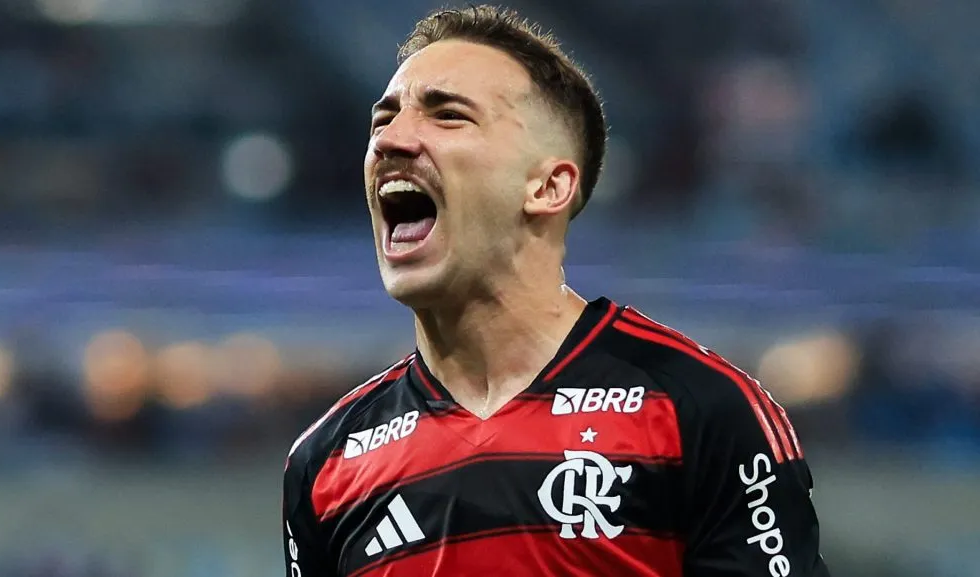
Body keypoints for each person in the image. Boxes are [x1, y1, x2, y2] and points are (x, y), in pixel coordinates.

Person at [282, 5, 830, 576]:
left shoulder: (702, 411)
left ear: (547, 187)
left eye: (447, 116)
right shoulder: (326, 462)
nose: (391, 140)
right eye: (383, 120)